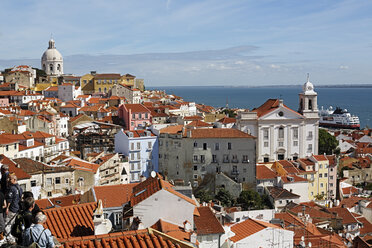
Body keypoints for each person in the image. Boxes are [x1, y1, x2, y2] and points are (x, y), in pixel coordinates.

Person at [4, 173, 22, 243]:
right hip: (17, 208)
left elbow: (9, 199)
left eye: (10, 179)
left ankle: (10, 239)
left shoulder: (12, 188)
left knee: (7, 224)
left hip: (11, 208)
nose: (8, 180)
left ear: (14, 180)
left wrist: (7, 208)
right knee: (11, 223)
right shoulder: (19, 187)